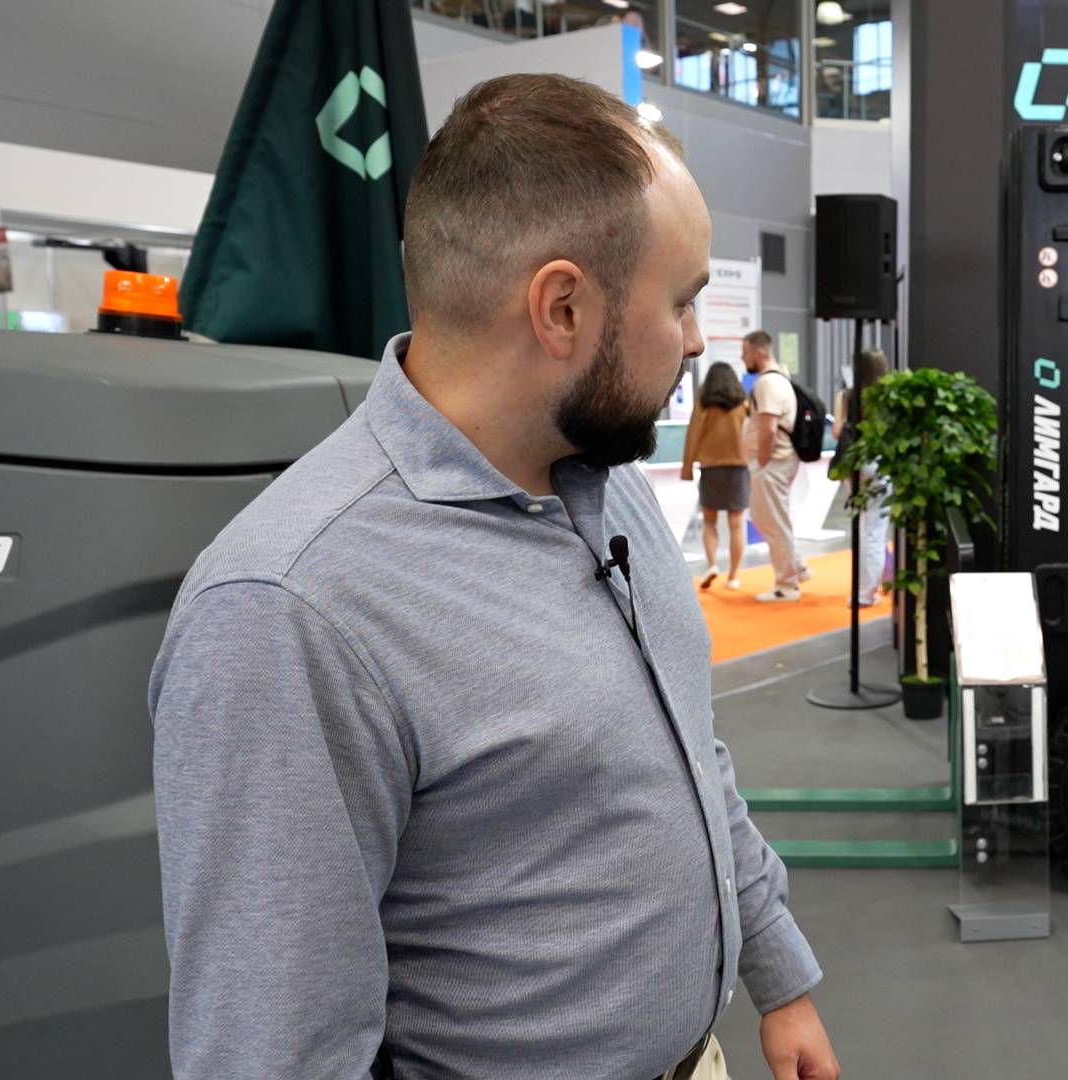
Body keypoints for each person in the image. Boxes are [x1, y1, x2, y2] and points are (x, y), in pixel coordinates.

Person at [148, 74, 839, 1080]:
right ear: (563, 307)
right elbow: (273, 1051)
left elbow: (691, 751)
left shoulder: (608, 482)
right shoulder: (290, 609)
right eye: (682, 301)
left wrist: (778, 973)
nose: (697, 341)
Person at [743, 330, 810, 602]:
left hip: (773, 462)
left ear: (759, 353)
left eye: (745, 353)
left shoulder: (767, 383)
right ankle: (797, 567)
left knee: (773, 522)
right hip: (778, 461)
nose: (743, 358)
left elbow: (768, 428)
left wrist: (761, 461)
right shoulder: (779, 378)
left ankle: (787, 584)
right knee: (771, 518)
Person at [682, 361, 752, 591]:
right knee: (736, 524)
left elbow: (693, 434)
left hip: (711, 468)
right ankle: (733, 576)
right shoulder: (743, 403)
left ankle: (712, 564)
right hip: (738, 468)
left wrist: (687, 468)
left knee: (709, 521)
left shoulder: (703, 403)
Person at [832, 347, 890, 608]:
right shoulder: (888, 395)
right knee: (875, 530)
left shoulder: (846, 395)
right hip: (880, 463)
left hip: (854, 463)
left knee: (866, 527)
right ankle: (866, 592)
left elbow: (836, 432)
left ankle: (871, 585)